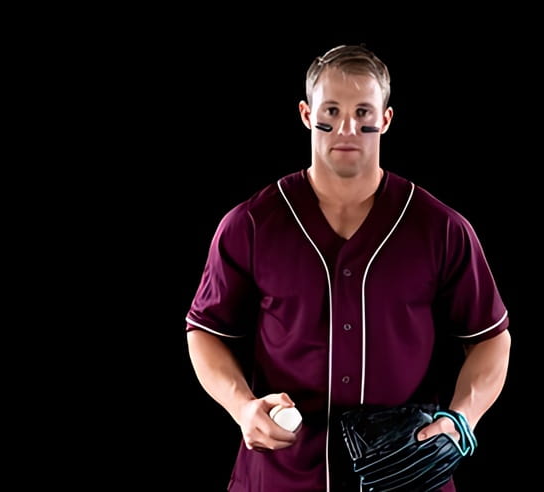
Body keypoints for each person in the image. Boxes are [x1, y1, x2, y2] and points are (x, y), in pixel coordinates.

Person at [185, 44, 511, 492]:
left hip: (405, 472)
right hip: (280, 476)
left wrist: (461, 418)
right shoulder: (252, 223)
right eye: (331, 110)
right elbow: (205, 329)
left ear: (387, 119)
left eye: (363, 112)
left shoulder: (440, 227)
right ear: (305, 113)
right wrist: (241, 405)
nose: (347, 128)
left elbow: (491, 338)